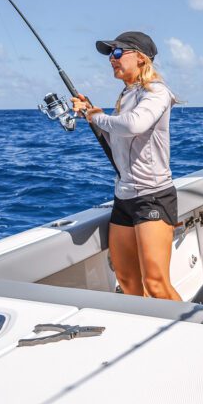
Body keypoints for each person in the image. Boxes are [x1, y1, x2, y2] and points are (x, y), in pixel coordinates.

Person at [72, 31, 182, 301]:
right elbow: (119, 139)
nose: (112, 58)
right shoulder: (127, 94)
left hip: (152, 196)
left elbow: (134, 125)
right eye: (111, 54)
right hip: (124, 197)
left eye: (118, 52)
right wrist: (90, 112)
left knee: (156, 284)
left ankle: (192, 325)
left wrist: (97, 118)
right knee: (127, 279)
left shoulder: (156, 92)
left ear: (141, 58)